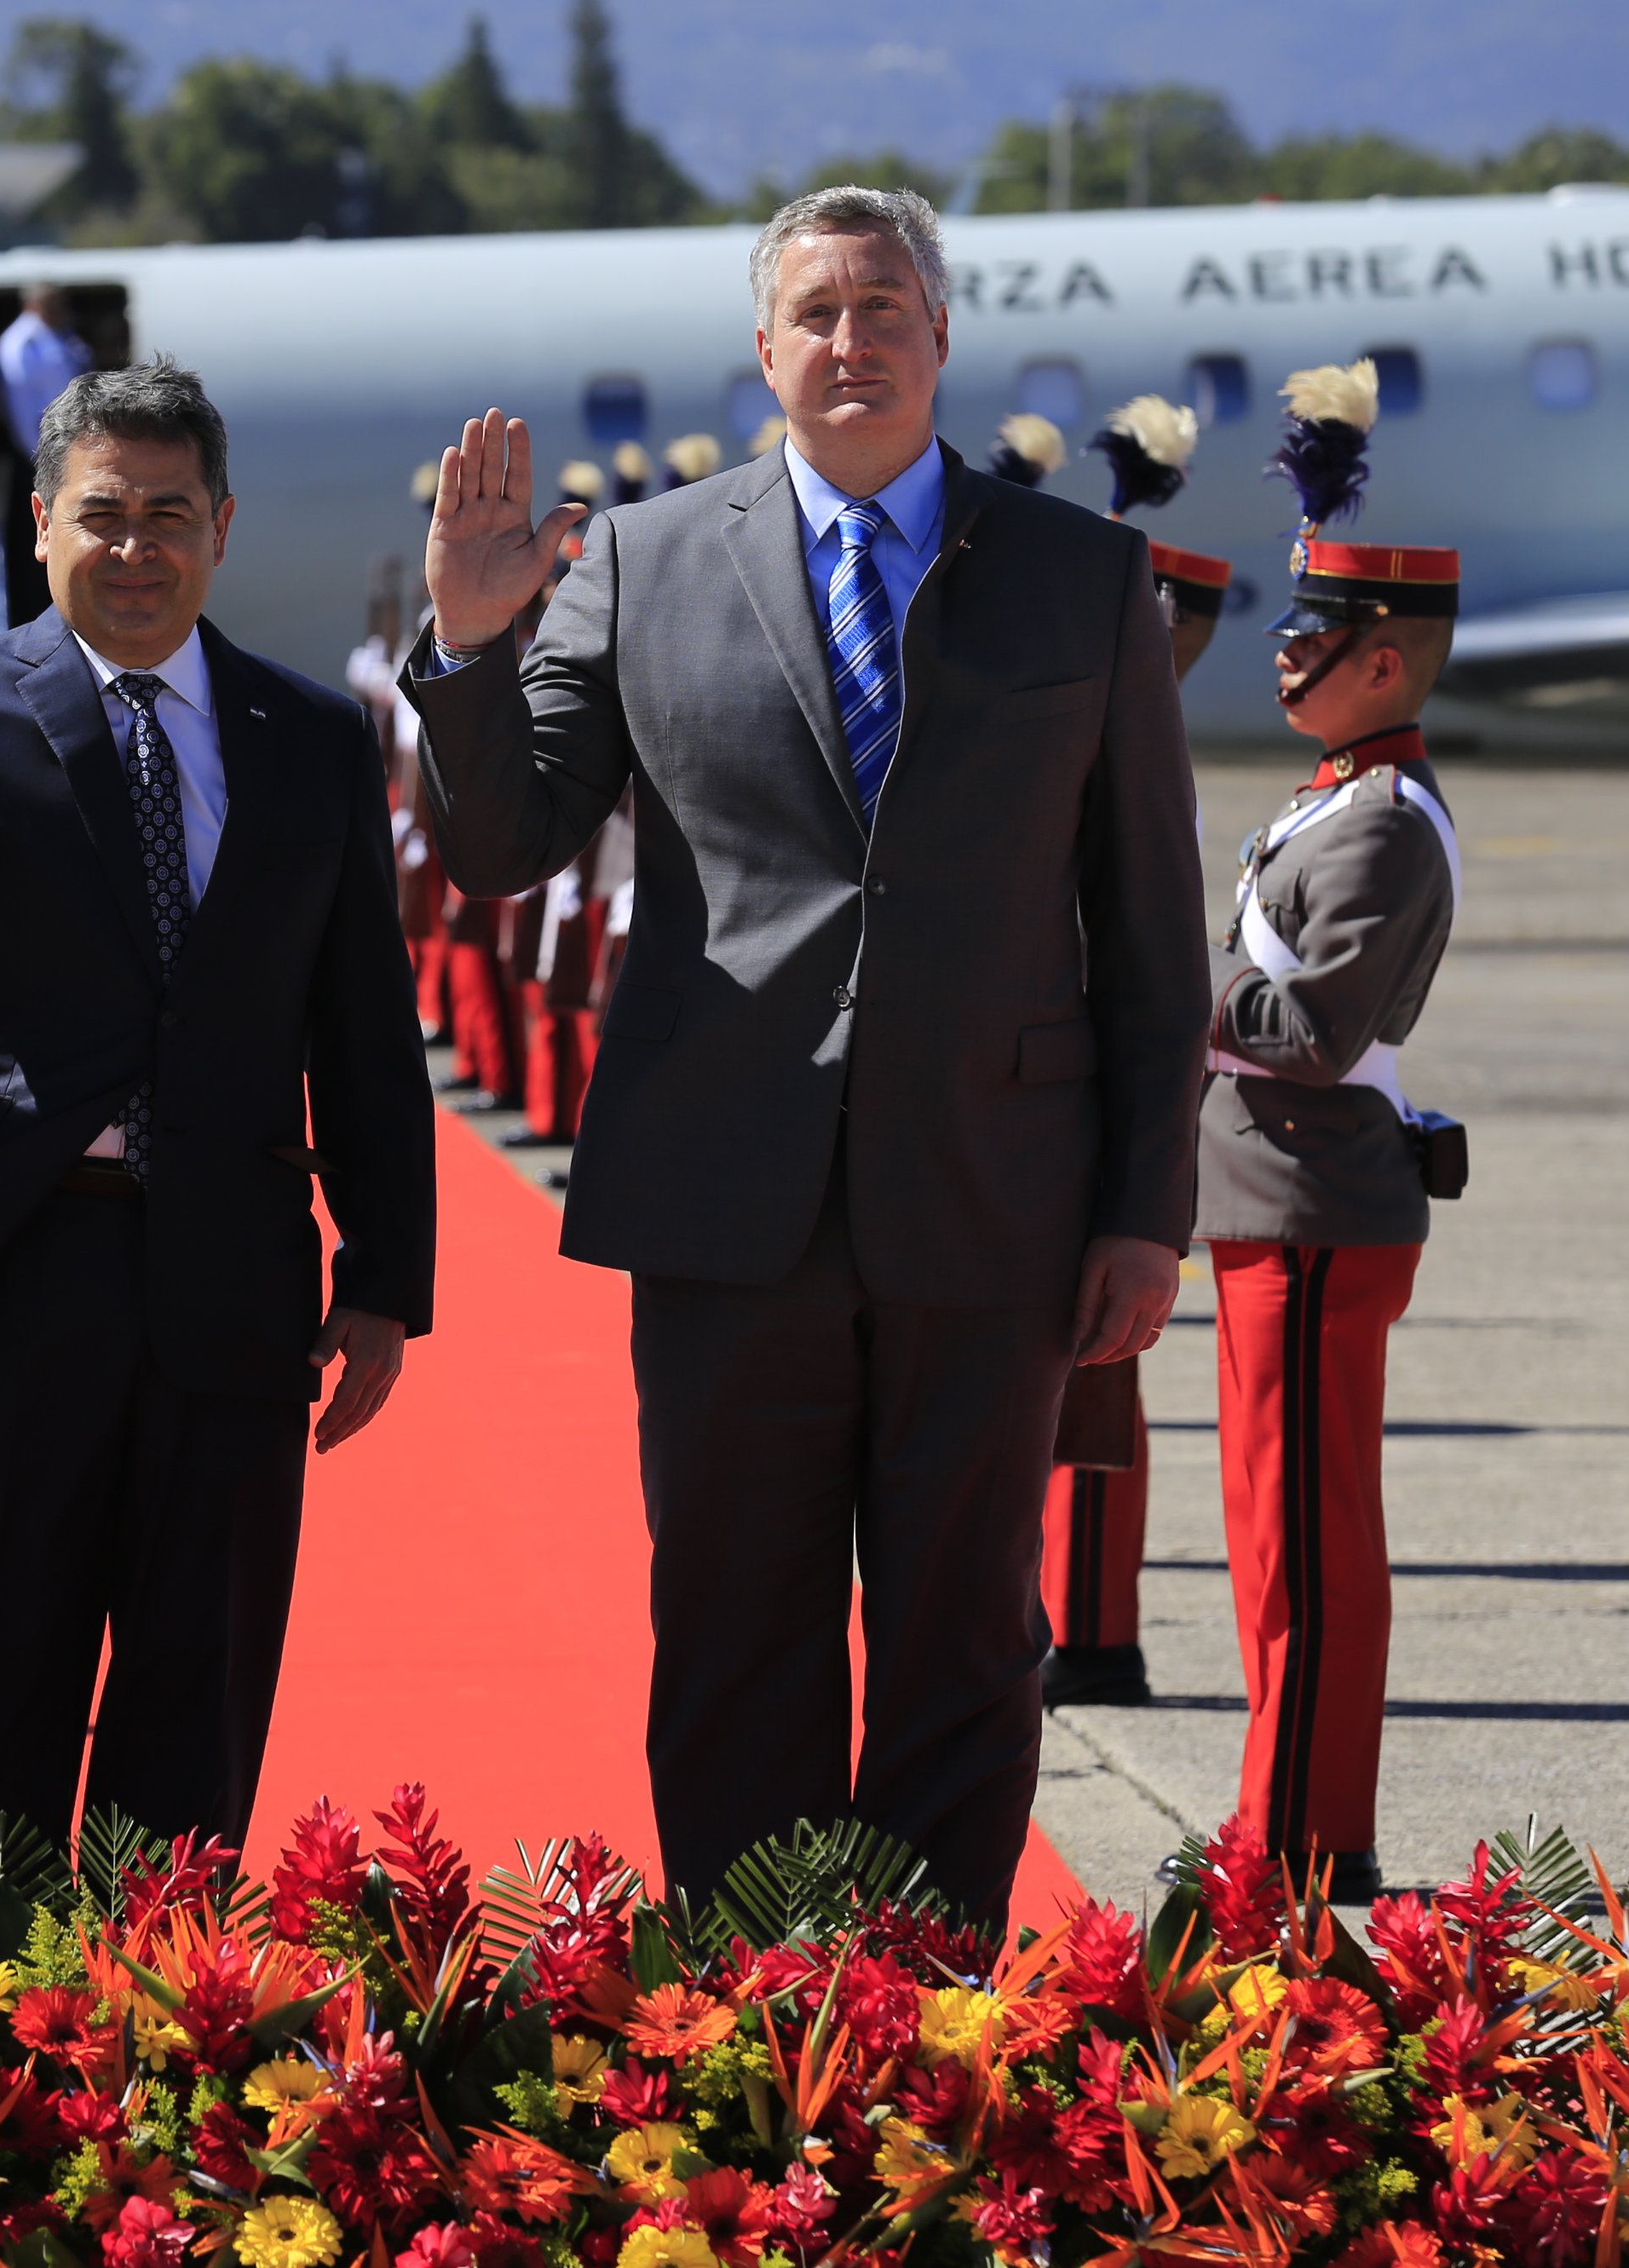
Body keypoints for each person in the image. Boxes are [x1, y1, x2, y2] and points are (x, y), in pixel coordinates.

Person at [405, 186, 1210, 1925]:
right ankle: (745, 2030)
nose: (851, 343)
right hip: (722, 1197)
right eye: (817, 315)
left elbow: (1148, 926)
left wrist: (1146, 1208)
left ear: (937, 338)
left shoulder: (1080, 575)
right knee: (731, 1628)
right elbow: (497, 845)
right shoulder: (635, 558)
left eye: (885, 309)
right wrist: (469, 651)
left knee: (961, 1635)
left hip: (988, 1199)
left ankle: (922, 2043)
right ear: (762, 349)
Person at [0, 360, 435, 1856]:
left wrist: (386, 1278)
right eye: (101, 515)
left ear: (219, 526)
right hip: (13, 1266)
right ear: (38, 525)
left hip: (230, 1274)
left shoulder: (309, 737)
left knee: (195, 1697)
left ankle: (162, 2043)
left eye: (167, 515)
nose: (133, 548)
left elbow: (360, 1028)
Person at [1200, 360, 1465, 1905]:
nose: (1288, 658)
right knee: (1275, 1534)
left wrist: (1177, 980)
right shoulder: (1335, 797)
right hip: (1276, 1205)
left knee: (1303, 1544)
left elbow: (1311, 1034)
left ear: (1386, 661)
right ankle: (1292, 1819)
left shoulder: (1374, 822)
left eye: (1313, 637)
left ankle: (1295, 1841)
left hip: (1312, 1205)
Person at [1040, 395, 1229, 1712]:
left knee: (1097, 1393)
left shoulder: (1136, 747)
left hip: (1091, 1096)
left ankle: (1097, 1631)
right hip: (1045, 1084)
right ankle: (1076, 1619)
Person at [0, 285, 90, 625]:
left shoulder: (60, 337)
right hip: (40, 460)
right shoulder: (21, 343)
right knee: (35, 553)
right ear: (34, 303)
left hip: (69, 458)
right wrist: (46, 463)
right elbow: (23, 412)